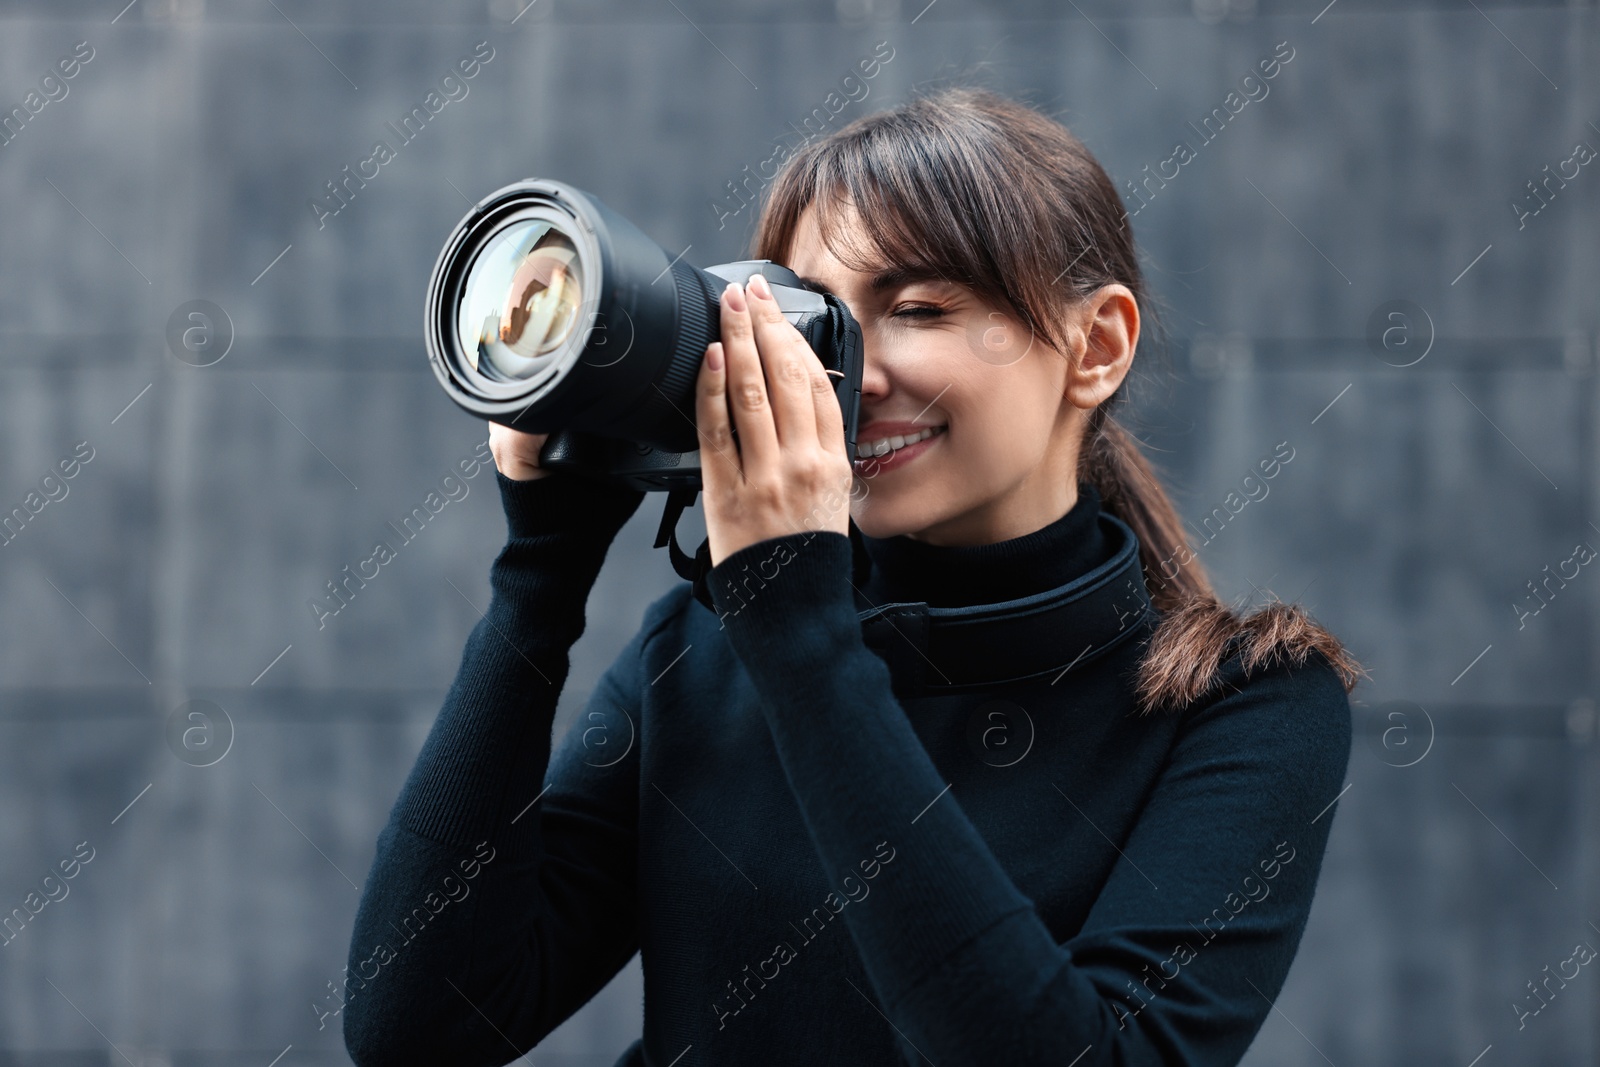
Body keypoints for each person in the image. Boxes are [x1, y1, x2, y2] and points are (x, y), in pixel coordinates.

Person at [341, 86, 1365, 1066]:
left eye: (915, 306)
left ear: (1095, 347)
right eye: (814, 319)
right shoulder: (699, 648)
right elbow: (417, 1021)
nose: (849, 376)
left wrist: (802, 636)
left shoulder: (1245, 707)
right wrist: (542, 566)